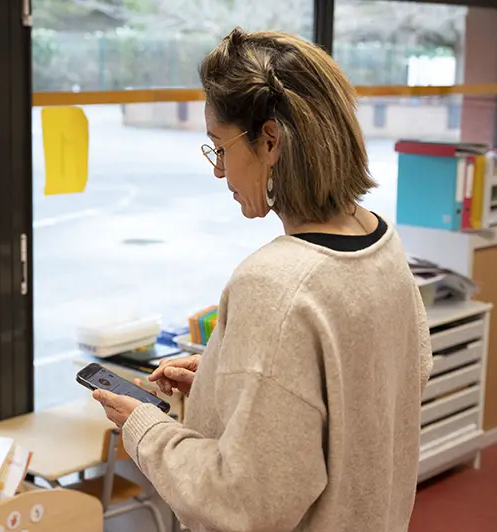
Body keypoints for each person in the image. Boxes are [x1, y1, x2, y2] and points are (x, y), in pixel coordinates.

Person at [92, 27, 433, 532]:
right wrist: (226, 377)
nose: (219, 172)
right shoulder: (381, 242)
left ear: (269, 140)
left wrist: (144, 427)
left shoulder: (276, 284)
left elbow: (243, 503)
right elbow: (364, 384)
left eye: (220, 148)